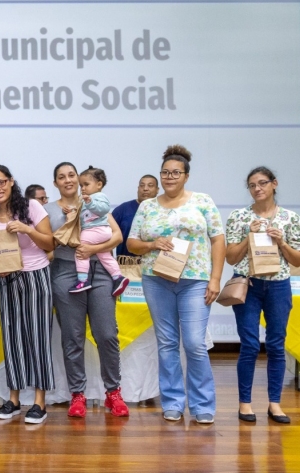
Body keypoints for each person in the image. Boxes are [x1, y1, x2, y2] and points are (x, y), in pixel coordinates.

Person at [127, 145, 224, 425]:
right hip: (157, 280)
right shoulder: (147, 206)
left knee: (194, 343)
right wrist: (151, 243)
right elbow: (132, 244)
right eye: (165, 173)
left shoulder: (203, 201)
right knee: (167, 343)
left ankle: (203, 404)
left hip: (194, 280)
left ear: (186, 175)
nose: (170, 177)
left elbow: (218, 239)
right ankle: (172, 402)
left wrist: (215, 278)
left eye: (175, 173)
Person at [44, 162, 129, 418]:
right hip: (65, 272)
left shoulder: (93, 202)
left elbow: (117, 236)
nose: (68, 180)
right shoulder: (47, 210)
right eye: (62, 177)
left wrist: (91, 250)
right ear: (55, 182)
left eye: (72, 175)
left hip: (100, 270)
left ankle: (113, 392)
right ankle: (77, 394)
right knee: (73, 337)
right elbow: (46, 245)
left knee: (107, 334)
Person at [225, 166, 300, 425]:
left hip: (279, 286)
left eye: (262, 183)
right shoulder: (238, 216)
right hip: (248, 285)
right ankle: (245, 404)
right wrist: (249, 237)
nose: (257, 188)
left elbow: (297, 260)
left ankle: (275, 403)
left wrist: (281, 243)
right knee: (248, 345)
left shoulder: (290, 218)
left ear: (274, 184)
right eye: (252, 185)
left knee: (276, 345)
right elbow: (231, 257)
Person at [0, 165, 55, 424]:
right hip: (8, 280)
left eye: (1, 182)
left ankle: (39, 402)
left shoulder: (31, 207)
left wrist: (27, 230)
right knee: (12, 339)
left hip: (37, 276)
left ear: (11, 182)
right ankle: (13, 399)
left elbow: (50, 243)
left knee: (38, 337)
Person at [69, 166, 128, 296]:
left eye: (86, 184)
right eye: (81, 185)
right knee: (105, 255)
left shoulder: (99, 196)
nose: (82, 188)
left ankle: (82, 280)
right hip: (98, 232)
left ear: (99, 184)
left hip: (96, 230)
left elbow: (103, 209)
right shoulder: (85, 199)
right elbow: (81, 214)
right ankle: (117, 277)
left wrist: (90, 203)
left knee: (81, 249)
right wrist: (72, 210)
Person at [114, 175, 159, 258]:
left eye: (150, 185)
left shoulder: (163, 211)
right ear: (138, 189)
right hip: (126, 266)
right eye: (142, 185)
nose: (145, 188)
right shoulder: (122, 209)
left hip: (154, 264)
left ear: (157, 190)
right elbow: (107, 236)